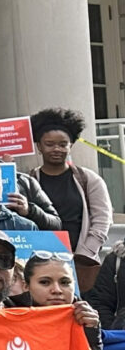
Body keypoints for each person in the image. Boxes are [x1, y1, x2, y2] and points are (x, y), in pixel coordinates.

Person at [30, 108, 113, 289]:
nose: (57, 149)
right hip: (39, 262)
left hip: (80, 261)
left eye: (63, 144)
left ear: (71, 145)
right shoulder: (29, 181)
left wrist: (86, 253)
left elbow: (103, 219)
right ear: (39, 146)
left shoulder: (88, 179)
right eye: (50, 144)